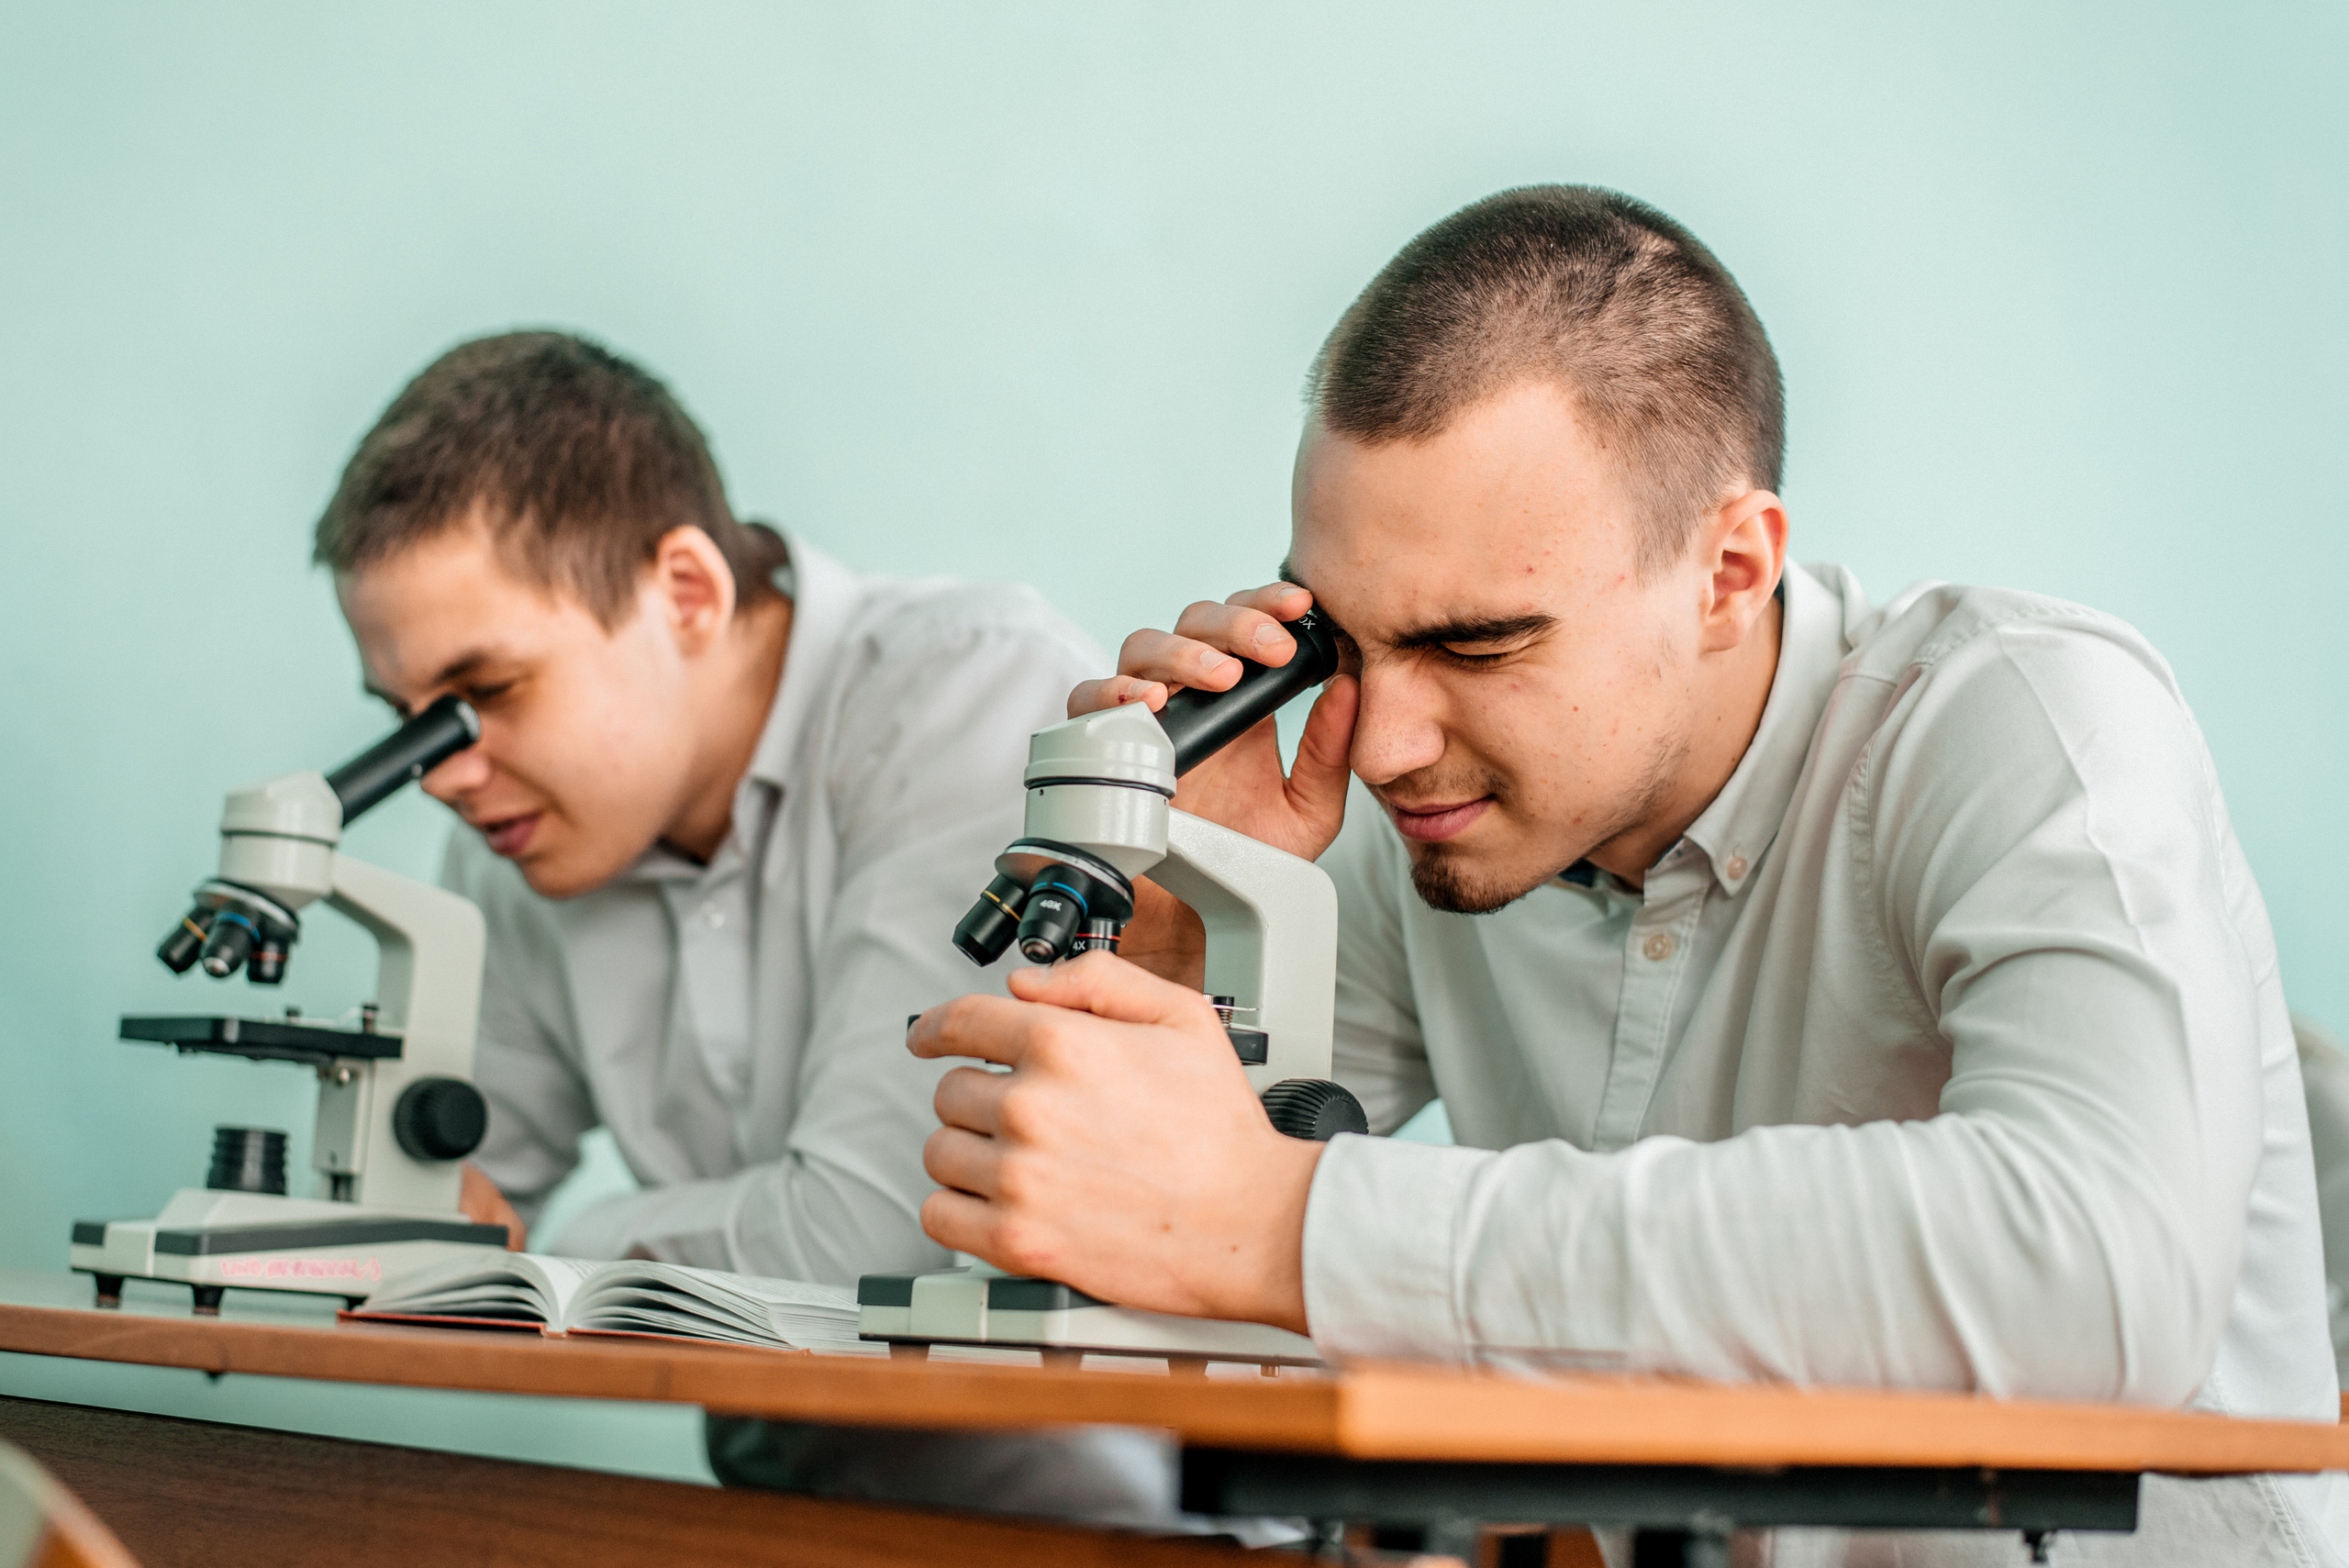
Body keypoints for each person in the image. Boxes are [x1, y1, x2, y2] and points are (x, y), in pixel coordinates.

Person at [907, 187, 2347, 1563]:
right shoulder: (1437, 816)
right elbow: (1145, 1243)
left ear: (1731, 569)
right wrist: (1201, 939)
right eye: (1350, 642)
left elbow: (2097, 1267)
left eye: (1478, 645)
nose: (1394, 743)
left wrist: (1302, 1223)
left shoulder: (2027, 721)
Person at [315, 330, 1184, 1524]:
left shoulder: (971, 697)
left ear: (685, 593)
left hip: (1123, 1534)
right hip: (774, 1522)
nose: (445, 772)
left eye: (487, 693)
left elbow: (874, 1234)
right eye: (408, 721)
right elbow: (434, 1215)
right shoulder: (511, 831)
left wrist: (570, 1249)